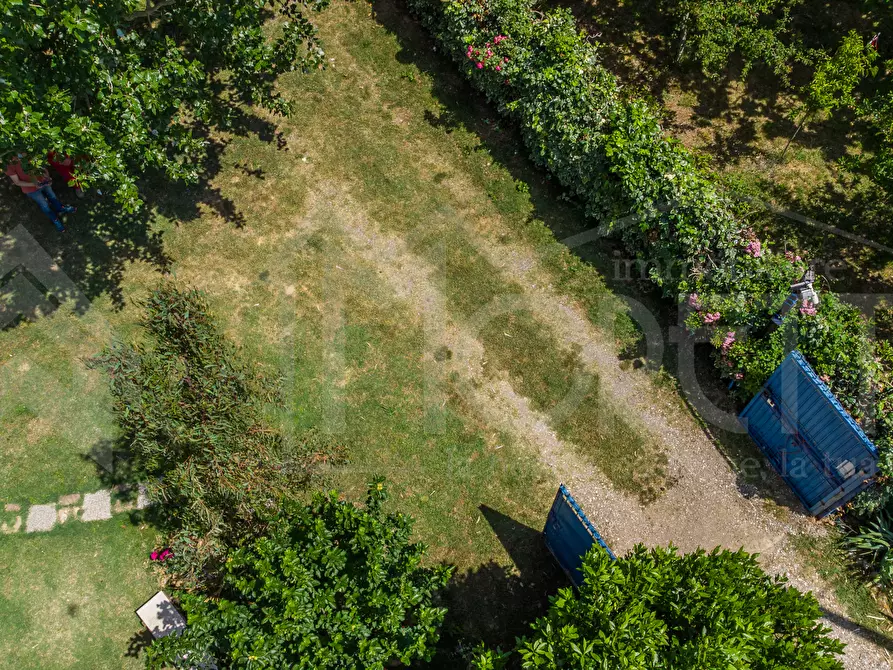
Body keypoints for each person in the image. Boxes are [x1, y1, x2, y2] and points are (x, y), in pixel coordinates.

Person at [5, 155, 75, 232]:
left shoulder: (29, 152)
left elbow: (43, 167)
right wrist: (34, 184)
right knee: (44, 205)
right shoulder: (8, 164)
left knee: (52, 196)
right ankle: (55, 219)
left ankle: (60, 208)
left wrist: (47, 178)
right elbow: (17, 182)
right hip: (31, 189)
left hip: (43, 181)